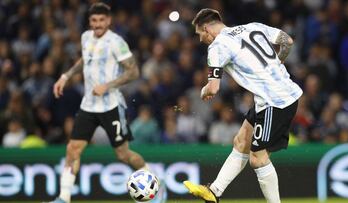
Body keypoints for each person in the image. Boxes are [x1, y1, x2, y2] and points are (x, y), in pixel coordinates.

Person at [48, 3, 166, 203]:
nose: (98, 24)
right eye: (94, 20)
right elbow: (85, 60)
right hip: (88, 106)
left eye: (102, 20)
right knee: (72, 150)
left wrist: (108, 85)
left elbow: (133, 71)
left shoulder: (116, 42)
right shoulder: (86, 37)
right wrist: (65, 76)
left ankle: (156, 183)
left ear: (109, 21)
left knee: (123, 154)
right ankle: (63, 198)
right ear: (89, 22)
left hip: (111, 106)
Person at [183, 8, 302, 203]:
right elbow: (287, 41)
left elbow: (213, 88)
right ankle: (214, 191)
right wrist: (278, 62)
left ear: (206, 28)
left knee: (258, 158)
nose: (200, 40)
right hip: (272, 97)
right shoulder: (252, 27)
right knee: (241, 141)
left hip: (275, 101)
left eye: (199, 35)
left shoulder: (217, 46)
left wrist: (203, 90)